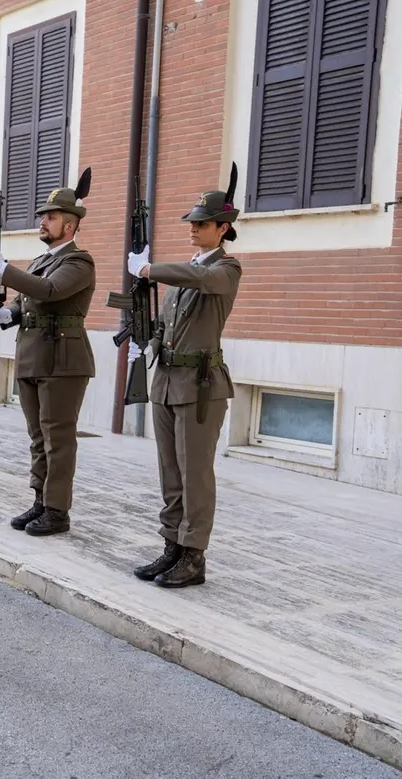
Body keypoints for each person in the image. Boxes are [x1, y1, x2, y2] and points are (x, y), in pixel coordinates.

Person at [129, 169, 243, 589]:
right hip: (166, 381)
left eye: (202, 223)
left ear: (223, 228)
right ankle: (172, 546)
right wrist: (149, 344)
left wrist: (150, 270)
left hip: (200, 386)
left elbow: (201, 279)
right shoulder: (188, 270)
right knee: (170, 472)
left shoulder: (226, 269)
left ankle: (194, 555)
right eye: (192, 223)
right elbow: (166, 322)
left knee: (195, 473)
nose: (193, 228)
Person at [0, 174, 96, 536]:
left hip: (62, 360)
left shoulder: (79, 262)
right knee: (37, 437)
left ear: (70, 224)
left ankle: (57, 510)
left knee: (57, 439)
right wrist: (10, 313)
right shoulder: (40, 259)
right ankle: (41, 500)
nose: (42, 221)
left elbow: (48, 291)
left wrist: (4, 270)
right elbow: (25, 298)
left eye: (51, 216)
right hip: (33, 355)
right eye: (43, 215)